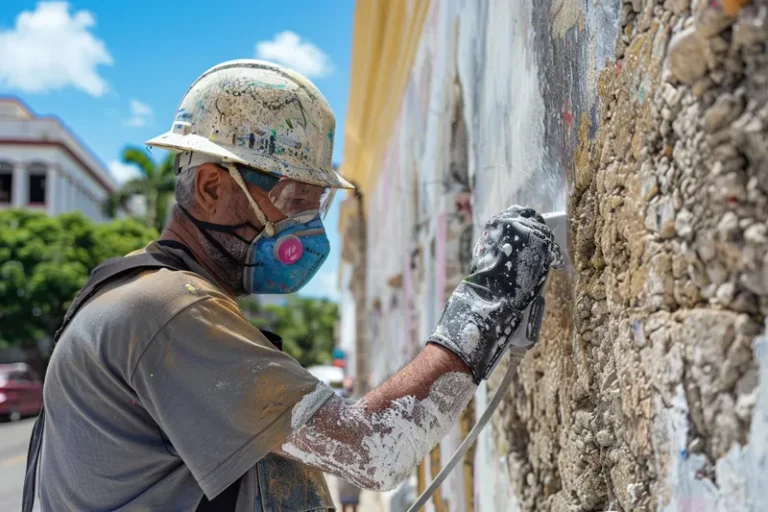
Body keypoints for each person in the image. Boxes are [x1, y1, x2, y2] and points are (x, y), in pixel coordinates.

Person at [31, 60, 563, 511]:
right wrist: (487, 301)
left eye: (317, 204)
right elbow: (372, 448)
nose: (308, 227)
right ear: (214, 187)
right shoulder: (166, 309)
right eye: (294, 201)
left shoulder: (144, 295)